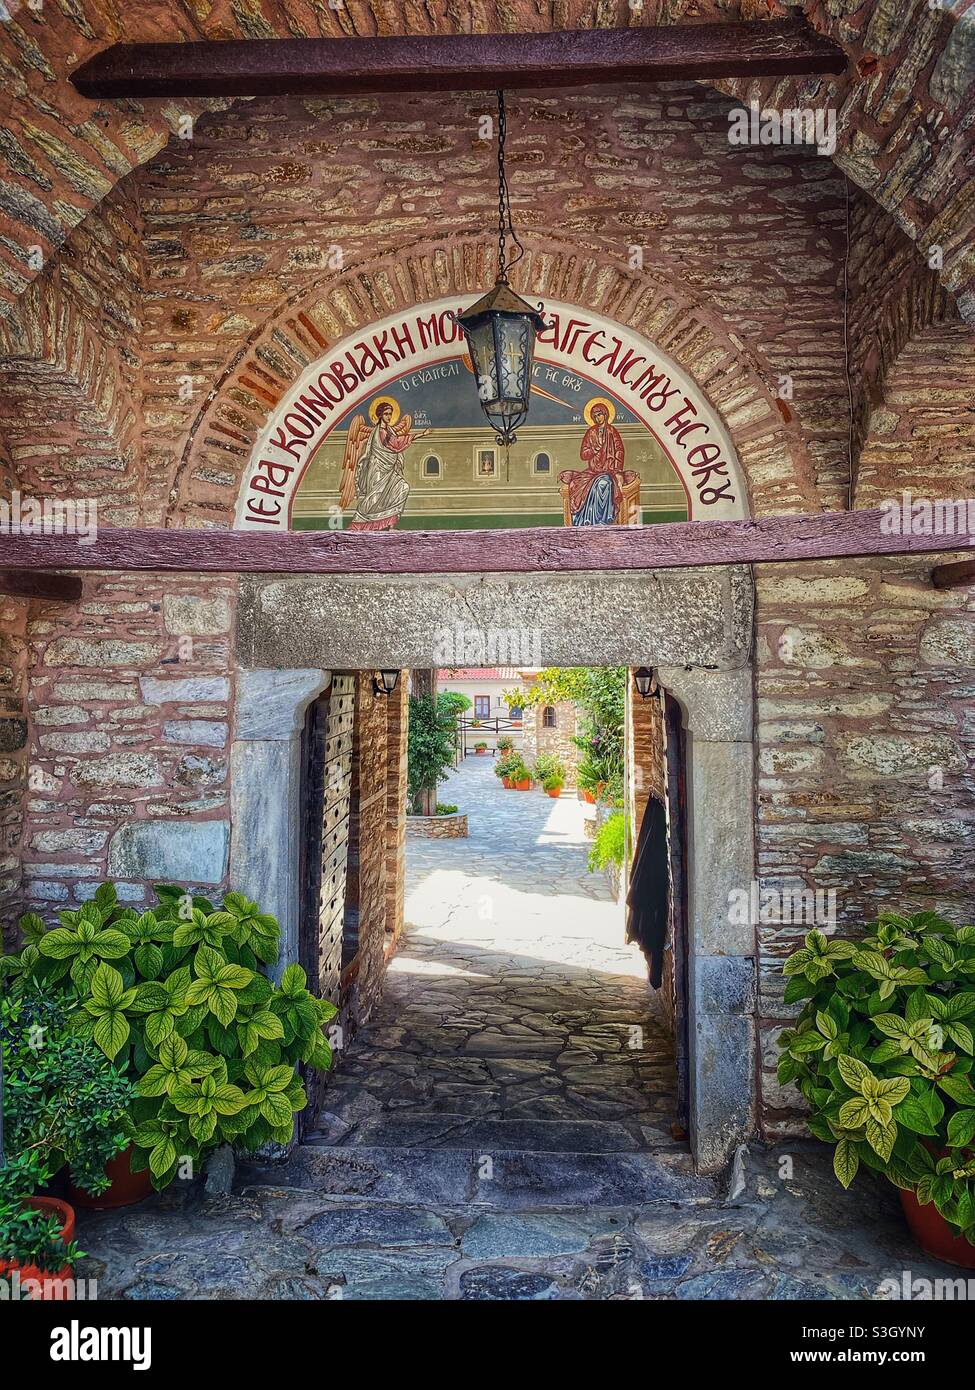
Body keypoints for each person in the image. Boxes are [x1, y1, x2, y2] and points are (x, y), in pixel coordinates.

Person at [346, 401, 429, 532]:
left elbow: (395, 443)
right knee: (374, 500)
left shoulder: (388, 430)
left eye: (390, 414)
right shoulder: (380, 432)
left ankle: (391, 526)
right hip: (378, 469)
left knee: (402, 488)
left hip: (389, 470)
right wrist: (421, 435)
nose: (389, 417)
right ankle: (359, 524)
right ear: (380, 415)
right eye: (386, 414)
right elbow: (395, 443)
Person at [559, 403, 637, 525]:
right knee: (576, 483)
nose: (597, 418)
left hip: (609, 471)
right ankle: (586, 521)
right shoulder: (591, 432)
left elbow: (619, 451)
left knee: (603, 484)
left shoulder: (611, 431)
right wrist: (594, 449)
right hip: (593, 471)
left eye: (599, 414)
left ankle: (602, 520)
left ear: (605, 414)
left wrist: (617, 471)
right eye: (594, 416)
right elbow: (583, 454)